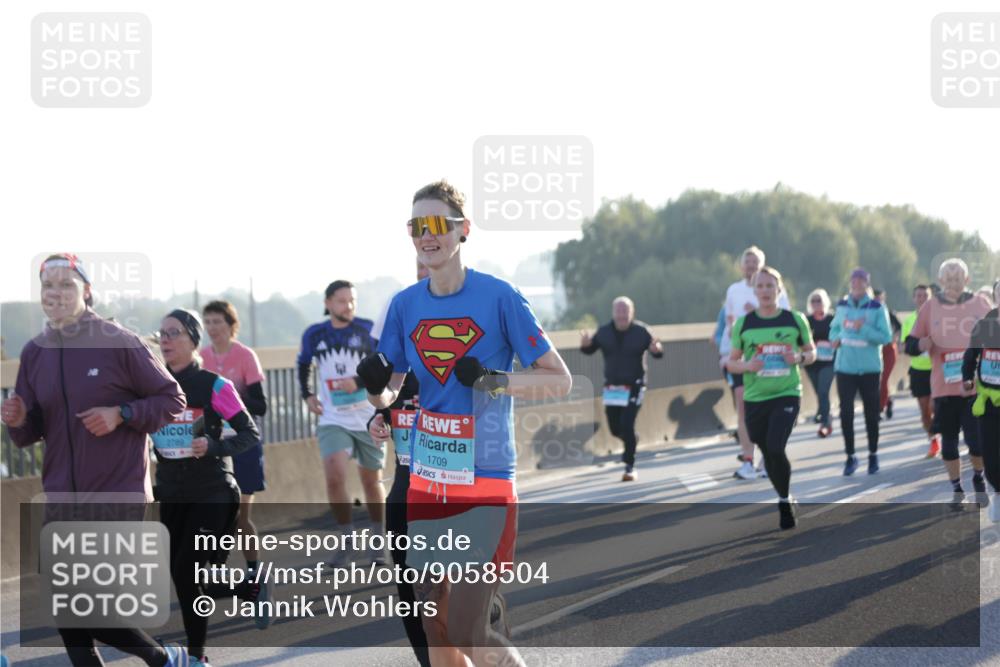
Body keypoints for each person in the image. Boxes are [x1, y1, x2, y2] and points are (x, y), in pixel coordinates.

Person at [358, 179, 571, 667]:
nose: (426, 236)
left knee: (469, 630)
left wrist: (493, 381)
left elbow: (557, 379)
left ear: (462, 230)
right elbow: (389, 395)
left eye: (436, 225)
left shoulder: (499, 297)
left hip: (486, 477)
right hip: (427, 481)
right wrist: (375, 390)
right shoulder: (405, 305)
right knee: (436, 630)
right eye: (416, 226)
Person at [1, 254, 190, 667]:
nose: (56, 293)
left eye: (66, 284)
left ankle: (163, 659)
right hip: (61, 492)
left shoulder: (119, 341)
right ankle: (160, 661)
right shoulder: (35, 352)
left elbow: (172, 399)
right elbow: (30, 431)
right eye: (48, 286)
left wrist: (121, 414)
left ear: (86, 290)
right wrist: (16, 420)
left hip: (116, 489)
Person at [152, 309, 263, 666]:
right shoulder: (153, 388)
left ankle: (197, 658)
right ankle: (250, 588)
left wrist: (213, 446)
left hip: (213, 490)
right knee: (187, 580)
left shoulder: (215, 385)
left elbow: (249, 434)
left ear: (193, 340)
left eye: (174, 333)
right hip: (171, 492)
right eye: (162, 334)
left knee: (187, 573)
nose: (165, 340)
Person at [297, 280, 386, 565]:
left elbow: (386, 364)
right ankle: (347, 542)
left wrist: (359, 381)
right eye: (341, 301)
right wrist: (308, 395)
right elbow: (302, 364)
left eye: (352, 301)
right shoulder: (314, 333)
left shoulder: (367, 329)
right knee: (334, 476)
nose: (347, 306)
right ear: (327, 303)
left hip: (368, 415)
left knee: (371, 480)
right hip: (333, 418)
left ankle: (377, 541)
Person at [727, 266, 816, 529]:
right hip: (755, 397)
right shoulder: (744, 323)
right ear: (754, 291)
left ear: (779, 290)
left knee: (776, 447)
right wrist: (747, 366)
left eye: (770, 286)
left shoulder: (794, 319)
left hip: (786, 393)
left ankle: (783, 502)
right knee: (765, 447)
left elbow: (811, 353)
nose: (765, 291)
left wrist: (798, 358)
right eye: (760, 286)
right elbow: (731, 362)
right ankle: (785, 496)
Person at [200, 300, 270, 625]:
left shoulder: (244, 356)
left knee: (241, 518)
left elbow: (261, 405)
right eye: (208, 321)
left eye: (218, 321)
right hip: (213, 447)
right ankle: (221, 583)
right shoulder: (200, 357)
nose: (213, 327)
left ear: (231, 324)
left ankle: (255, 575)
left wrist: (228, 399)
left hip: (241, 444)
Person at [907, 259, 992, 505]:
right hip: (943, 388)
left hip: (974, 387)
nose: (953, 283)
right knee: (949, 447)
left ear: (966, 281)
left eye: (958, 279)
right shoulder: (931, 307)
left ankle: (978, 476)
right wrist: (921, 344)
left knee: (976, 443)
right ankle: (956, 489)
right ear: (941, 281)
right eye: (948, 279)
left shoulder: (979, 304)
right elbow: (911, 343)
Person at [719, 246, 791, 480]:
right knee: (743, 408)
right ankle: (747, 459)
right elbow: (729, 321)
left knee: (767, 411)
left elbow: (787, 319)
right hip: (743, 357)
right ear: (741, 266)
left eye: (755, 262)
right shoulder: (734, 290)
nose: (750, 265)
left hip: (770, 358)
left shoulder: (773, 286)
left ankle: (765, 459)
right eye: (747, 261)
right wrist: (731, 343)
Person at [580, 296, 664, 481]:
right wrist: (585, 345)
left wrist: (657, 350)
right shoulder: (603, 332)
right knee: (615, 429)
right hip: (612, 388)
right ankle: (632, 440)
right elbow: (589, 349)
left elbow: (657, 351)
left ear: (632, 312)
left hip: (635, 385)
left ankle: (629, 466)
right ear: (613, 313)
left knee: (627, 423)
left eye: (625, 311)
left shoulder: (642, 331)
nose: (622, 315)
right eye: (618, 311)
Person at [829, 268, 892, 476]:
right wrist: (834, 339)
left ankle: (873, 454)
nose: (856, 283)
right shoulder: (842, 305)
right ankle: (850, 456)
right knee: (845, 412)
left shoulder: (877, 307)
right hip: (845, 367)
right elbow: (834, 329)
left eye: (861, 280)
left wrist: (862, 328)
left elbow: (885, 337)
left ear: (867, 284)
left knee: (871, 414)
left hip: (869, 369)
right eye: (853, 279)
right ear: (850, 283)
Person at [963, 279, 1000, 521]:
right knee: (990, 450)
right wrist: (966, 376)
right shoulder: (984, 326)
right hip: (987, 400)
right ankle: (997, 491)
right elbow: (971, 354)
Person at [900, 285, 938, 457]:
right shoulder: (909, 321)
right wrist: (916, 345)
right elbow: (904, 346)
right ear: (914, 298)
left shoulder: (939, 318)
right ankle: (933, 441)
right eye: (919, 295)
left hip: (937, 369)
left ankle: (946, 430)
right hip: (918, 370)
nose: (922, 298)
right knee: (924, 412)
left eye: (925, 295)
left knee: (935, 405)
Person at [805, 288, 836, 438]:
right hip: (812, 362)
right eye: (813, 301)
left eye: (819, 300)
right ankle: (825, 413)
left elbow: (839, 336)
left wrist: (828, 343)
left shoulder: (832, 319)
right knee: (819, 391)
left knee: (823, 390)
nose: (816, 303)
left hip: (829, 362)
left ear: (825, 302)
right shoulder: (807, 321)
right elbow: (801, 340)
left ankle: (825, 423)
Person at [873, 289, 902, 420]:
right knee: (878, 380)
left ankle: (879, 408)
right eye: (875, 299)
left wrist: (895, 337)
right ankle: (887, 401)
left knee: (884, 379)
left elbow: (899, 327)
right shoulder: (869, 314)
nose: (878, 302)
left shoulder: (888, 313)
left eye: (880, 299)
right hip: (875, 349)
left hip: (889, 349)